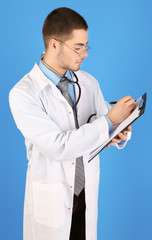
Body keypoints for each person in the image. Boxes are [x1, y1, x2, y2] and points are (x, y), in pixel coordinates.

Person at [9, 7, 134, 240]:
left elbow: (103, 124)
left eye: (86, 46)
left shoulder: (88, 82)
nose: (85, 53)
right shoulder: (23, 93)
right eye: (78, 47)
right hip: (52, 200)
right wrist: (109, 121)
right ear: (54, 44)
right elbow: (58, 146)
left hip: (85, 194)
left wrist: (118, 131)